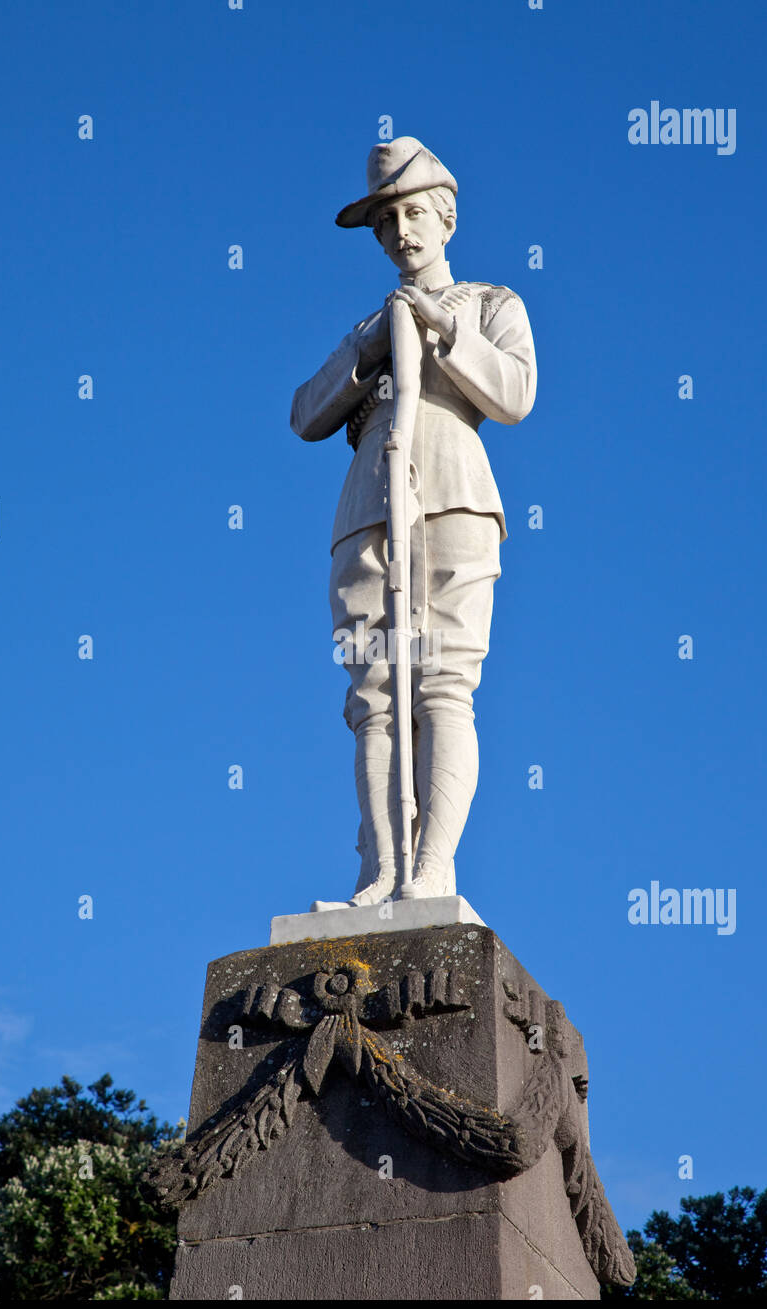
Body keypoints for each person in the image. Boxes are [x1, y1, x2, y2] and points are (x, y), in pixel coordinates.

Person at [291, 137, 536, 908]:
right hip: (368, 505)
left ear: (446, 218)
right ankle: (380, 873)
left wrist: (443, 330)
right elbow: (304, 415)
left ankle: (432, 869)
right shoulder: (367, 329)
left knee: (443, 687)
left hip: (456, 495)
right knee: (374, 696)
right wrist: (370, 347)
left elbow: (515, 395)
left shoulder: (491, 304)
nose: (401, 230)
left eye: (414, 212)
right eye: (387, 218)